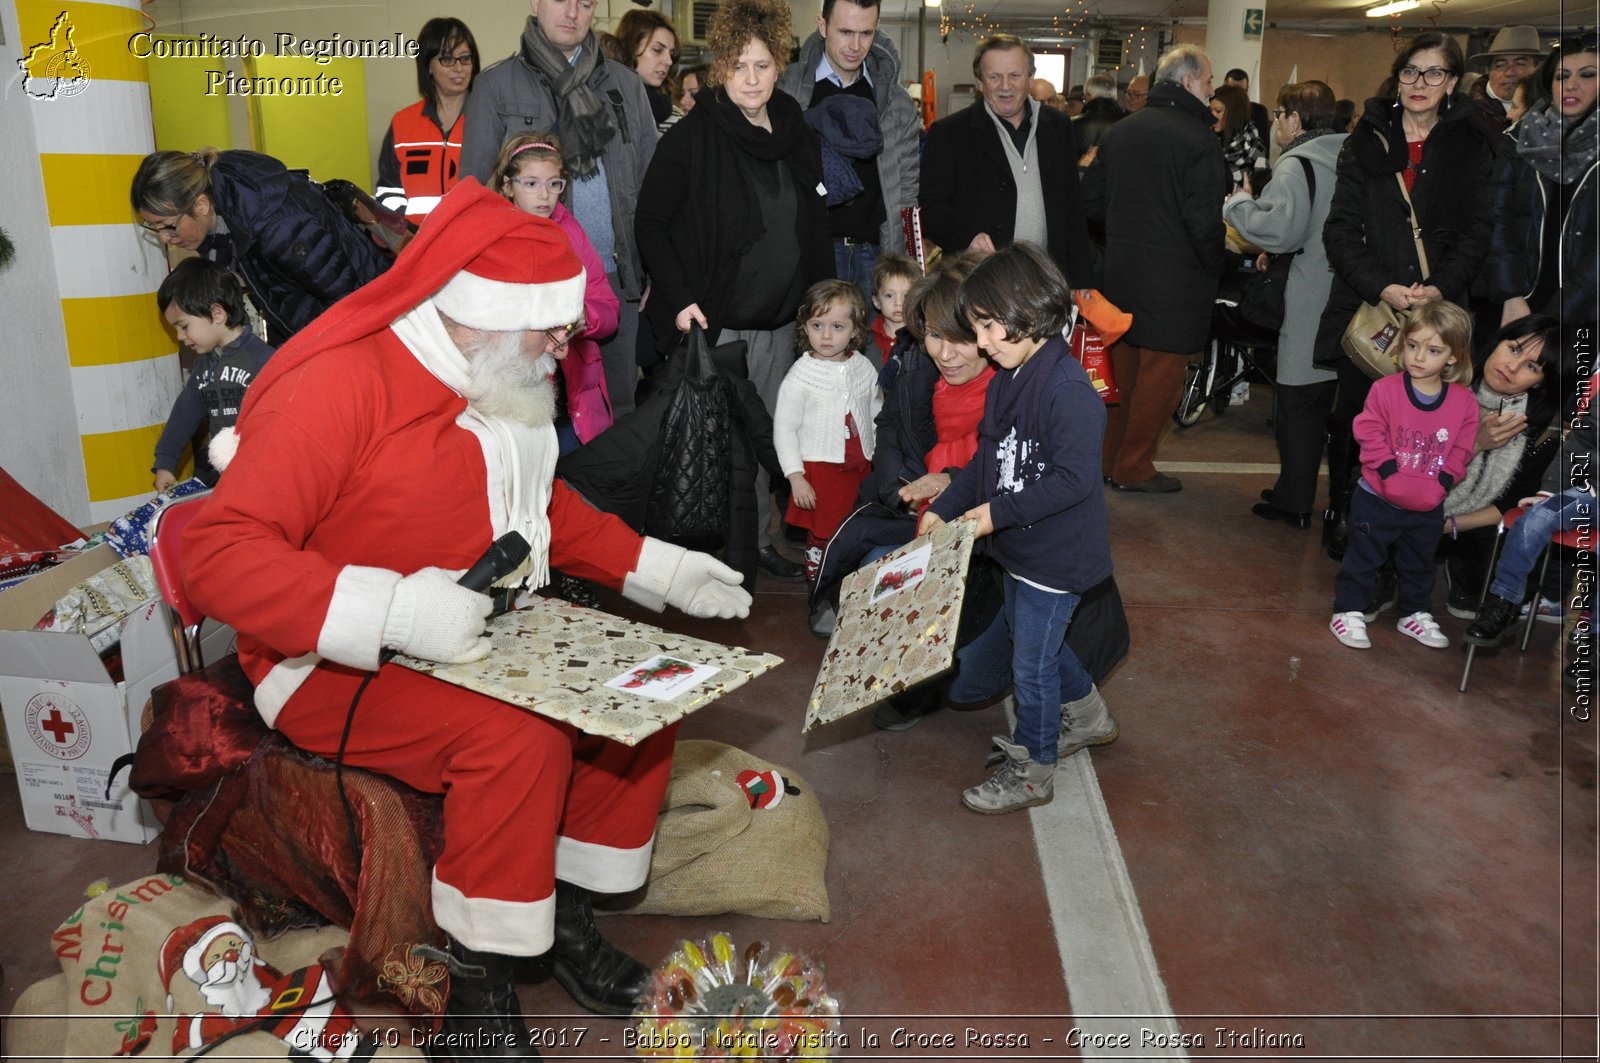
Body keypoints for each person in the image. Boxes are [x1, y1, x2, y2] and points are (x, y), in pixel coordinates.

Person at [181, 181, 753, 1057]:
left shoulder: (495, 368)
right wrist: (399, 610)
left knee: (640, 693)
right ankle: (475, 988)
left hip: (482, 630)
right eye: (553, 327)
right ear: (482, 310)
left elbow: (538, 505)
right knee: (520, 741)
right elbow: (216, 553)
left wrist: (658, 566)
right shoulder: (341, 386)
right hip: (334, 659)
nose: (568, 344)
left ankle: (564, 923)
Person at [633, 0, 833, 584]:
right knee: (718, 447)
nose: (751, 78)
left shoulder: (795, 131)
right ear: (721, 67)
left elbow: (814, 221)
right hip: (718, 323)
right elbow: (651, 223)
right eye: (740, 65)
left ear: (780, 68)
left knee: (773, 437)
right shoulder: (694, 137)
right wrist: (679, 296)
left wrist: (821, 301)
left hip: (781, 322)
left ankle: (761, 542)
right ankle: (711, 554)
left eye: (763, 65)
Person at [921, 243, 1113, 814]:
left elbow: (1074, 481)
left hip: (1056, 558)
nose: (978, 343)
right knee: (1041, 644)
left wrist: (993, 515)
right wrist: (949, 504)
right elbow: (986, 459)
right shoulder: (1009, 374)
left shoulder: (1068, 392)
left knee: (1029, 662)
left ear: (1028, 316)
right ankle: (1089, 716)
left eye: (985, 327)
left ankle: (1034, 767)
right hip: (1018, 550)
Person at [1312, 31, 1493, 560]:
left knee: (1428, 421)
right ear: (1398, 77)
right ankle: (1347, 509)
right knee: (1359, 414)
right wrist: (1381, 285)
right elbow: (1340, 229)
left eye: (1435, 73)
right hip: (1371, 306)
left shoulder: (1471, 143)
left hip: (1440, 306)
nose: (1421, 83)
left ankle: (1414, 517)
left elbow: (1478, 230)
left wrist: (1439, 287)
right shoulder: (1365, 139)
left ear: (1452, 82)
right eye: (1411, 71)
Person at [461, 0, 659, 420]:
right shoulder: (496, 87)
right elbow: (475, 197)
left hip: (612, 282)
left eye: (585, 3)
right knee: (530, 419)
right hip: (528, 287)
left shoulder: (625, 86)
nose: (572, 12)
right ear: (535, 3)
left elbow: (652, 184)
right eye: (561, 0)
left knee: (615, 415)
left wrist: (651, 268)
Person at [1081, 44, 1227, 493]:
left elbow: (1090, 203)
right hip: (1177, 279)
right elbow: (1203, 220)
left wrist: (1118, 243)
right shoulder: (1200, 139)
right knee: (1160, 379)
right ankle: (1135, 467)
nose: (1211, 91)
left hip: (1123, 274)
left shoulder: (1121, 132)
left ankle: (1108, 460)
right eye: (1207, 82)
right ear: (1187, 82)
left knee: (1122, 374)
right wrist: (1214, 267)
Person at [1223, 80, 1346, 528]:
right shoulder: (1347, 156)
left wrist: (1239, 204)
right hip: (1343, 295)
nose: (1274, 121)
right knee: (1329, 402)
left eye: (1278, 113)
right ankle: (1323, 496)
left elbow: (1280, 231)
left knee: (1297, 402)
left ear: (1294, 120)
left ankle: (1294, 500)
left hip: (1308, 295)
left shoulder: (1298, 165)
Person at [1330, 301, 1479, 650]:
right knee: (1363, 558)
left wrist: (1443, 482)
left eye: (1433, 350)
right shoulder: (1385, 390)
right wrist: (1388, 472)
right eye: (1412, 345)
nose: (1418, 357)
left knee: (1419, 564)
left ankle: (1413, 613)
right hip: (1377, 499)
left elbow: (1462, 447)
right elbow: (1368, 431)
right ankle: (1347, 610)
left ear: (1454, 357)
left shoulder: (1463, 401)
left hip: (1427, 505)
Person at [131, 149, 390, 342]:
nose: (164, 237)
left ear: (201, 204)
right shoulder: (226, 209)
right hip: (318, 334)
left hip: (367, 333)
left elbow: (351, 303)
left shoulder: (278, 226)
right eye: (153, 227)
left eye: (167, 225)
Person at [919, 34, 1096, 285]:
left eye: (1015, 75)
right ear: (980, 82)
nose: (1005, 86)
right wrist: (968, 237)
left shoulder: (1058, 127)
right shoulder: (950, 134)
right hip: (980, 283)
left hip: (1048, 282)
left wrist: (1081, 280)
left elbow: (1072, 208)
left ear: (1030, 78)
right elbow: (931, 209)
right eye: (994, 77)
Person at [776, 0, 921, 305]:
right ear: (822, 25)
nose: (856, 45)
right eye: (845, 32)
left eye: (866, 33)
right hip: (811, 252)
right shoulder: (788, 90)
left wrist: (905, 263)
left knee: (879, 352)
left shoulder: (897, 104)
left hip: (876, 255)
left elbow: (907, 194)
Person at [489, 133, 620, 451]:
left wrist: (581, 318)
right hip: (515, 393)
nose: (544, 195)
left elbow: (607, 309)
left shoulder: (572, 232)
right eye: (530, 184)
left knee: (575, 488)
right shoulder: (492, 237)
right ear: (508, 186)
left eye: (554, 184)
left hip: (573, 395)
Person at [1438, 313, 1564, 617]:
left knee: (1494, 559)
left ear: (1540, 383)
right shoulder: (1444, 381)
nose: (1512, 366)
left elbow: (1509, 502)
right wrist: (1476, 444)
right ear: (1498, 341)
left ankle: (1462, 570)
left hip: (1467, 521)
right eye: (1514, 348)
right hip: (1416, 500)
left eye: (1532, 367)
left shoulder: (1541, 428)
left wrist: (1447, 526)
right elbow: (1414, 467)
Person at [1464, 372, 1595, 646]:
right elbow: (1579, 443)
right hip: (1590, 494)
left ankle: (1594, 637)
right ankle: (1503, 604)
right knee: (1538, 516)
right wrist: (1548, 491)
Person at [775, 279, 881, 596]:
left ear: (854, 330)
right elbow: (784, 429)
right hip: (821, 472)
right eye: (817, 325)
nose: (825, 335)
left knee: (855, 530)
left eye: (837, 326)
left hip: (860, 469)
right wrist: (795, 477)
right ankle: (820, 590)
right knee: (823, 534)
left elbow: (876, 411)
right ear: (805, 327)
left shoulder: (863, 367)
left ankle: (852, 588)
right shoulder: (800, 376)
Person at [1486, 32, 1597, 330]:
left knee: (1577, 377)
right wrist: (1511, 295)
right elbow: (1497, 220)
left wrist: (1557, 314)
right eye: (1562, 76)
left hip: (1587, 310)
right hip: (1520, 301)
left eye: (1587, 75)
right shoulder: (1520, 139)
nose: (1572, 85)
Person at [150, 258, 275, 491]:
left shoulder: (265, 361)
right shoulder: (203, 368)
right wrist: (165, 462)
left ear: (217, 313)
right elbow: (184, 414)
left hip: (263, 474)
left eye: (184, 326)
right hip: (223, 474)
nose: (179, 336)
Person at [375, 18, 478, 226]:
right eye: (447, 59)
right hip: (415, 245)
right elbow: (388, 191)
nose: (459, 68)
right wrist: (406, 233)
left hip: (474, 245)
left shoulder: (489, 120)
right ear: (428, 65)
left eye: (465, 58)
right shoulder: (403, 123)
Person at [1467, 25, 1544, 141]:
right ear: (1489, 70)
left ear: (1537, 69)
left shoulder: (1553, 110)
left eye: (1519, 64)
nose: (1509, 72)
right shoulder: (1466, 114)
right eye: (1500, 65)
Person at [615, 9, 683, 134]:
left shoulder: (676, 120)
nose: (668, 61)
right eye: (657, 49)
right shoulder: (603, 111)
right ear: (631, 48)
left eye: (671, 54)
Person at [1212, 83, 1266, 193]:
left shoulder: (1254, 145)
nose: (1212, 116)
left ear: (1234, 112)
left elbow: (1262, 189)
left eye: (1218, 111)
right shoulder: (1206, 139)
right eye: (1210, 111)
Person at [870, 251, 918, 367]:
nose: (898, 303)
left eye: (906, 296)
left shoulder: (921, 338)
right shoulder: (865, 339)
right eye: (889, 295)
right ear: (877, 302)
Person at [1073, 72, 1125, 161]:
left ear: (1089, 95)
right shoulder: (1127, 123)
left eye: (1084, 98)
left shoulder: (1073, 124)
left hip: (1082, 173)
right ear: (1115, 96)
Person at [1223, 68, 1272, 147]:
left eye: (1243, 91)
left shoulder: (1259, 112)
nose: (1239, 96)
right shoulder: (1215, 111)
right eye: (1234, 90)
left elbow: (1264, 146)